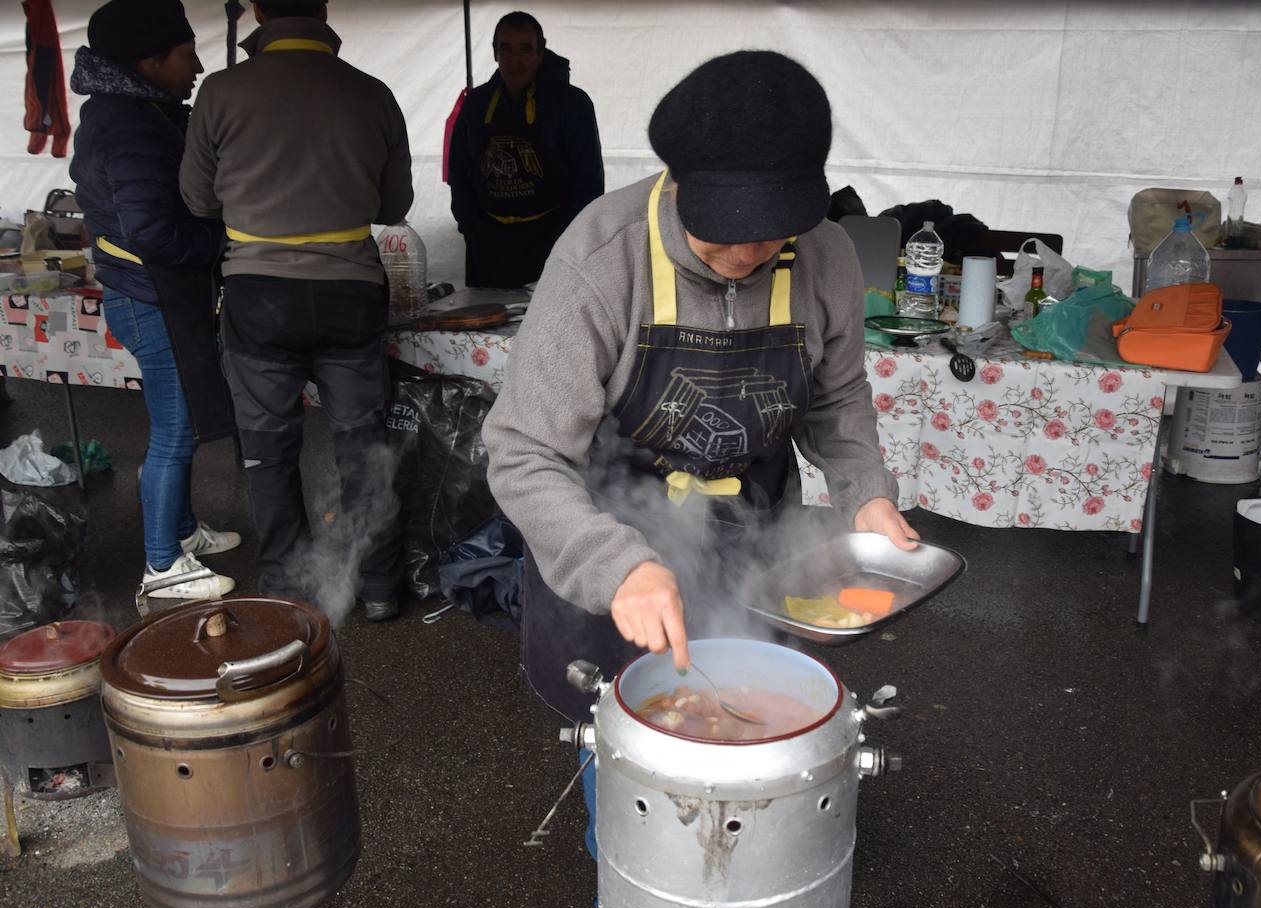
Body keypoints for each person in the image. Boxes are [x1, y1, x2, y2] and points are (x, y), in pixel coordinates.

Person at [482, 50, 919, 858]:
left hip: (752, 524)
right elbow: (521, 452)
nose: (752, 253)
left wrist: (866, 493)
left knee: (755, 740)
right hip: (609, 525)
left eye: (772, 232)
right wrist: (614, 564)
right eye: (729, 231)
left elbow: (838, 399)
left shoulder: (822, 258)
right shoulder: (601, 257)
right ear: (679, 184)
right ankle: (625, 857)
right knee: (628, 750)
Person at [180, 0, 413, 621]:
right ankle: (382, 586)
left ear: (257, 9)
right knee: (362, 444)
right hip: (350, 290)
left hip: (259, 294)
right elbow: (395, 204)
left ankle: (287, 589)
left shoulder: (221, 92)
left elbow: (197, 200)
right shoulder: (372, 93)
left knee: (268, 449)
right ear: (324, 9)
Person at [69, 0, 239, 600]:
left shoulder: (138, 110)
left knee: (182, 421)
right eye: (186, 52)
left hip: (149, 293)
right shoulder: (129, 125)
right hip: (152, 298)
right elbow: (152, 231)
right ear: (150, 59)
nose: (196, 64)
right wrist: (224, 241)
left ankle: (184, 531)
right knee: (175, 430)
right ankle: (163, 566)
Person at [447, 11, 603, 288]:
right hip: (488, 243)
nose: (515, 60)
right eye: (505, 48)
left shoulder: (572, 104)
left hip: (552, 242)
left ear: (541, 53)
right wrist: (469, 224)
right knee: (486, 327)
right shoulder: (477, 104)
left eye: (525, 49)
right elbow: (459, 169)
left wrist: (569, 240)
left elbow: (589, 181)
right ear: (494, 53)